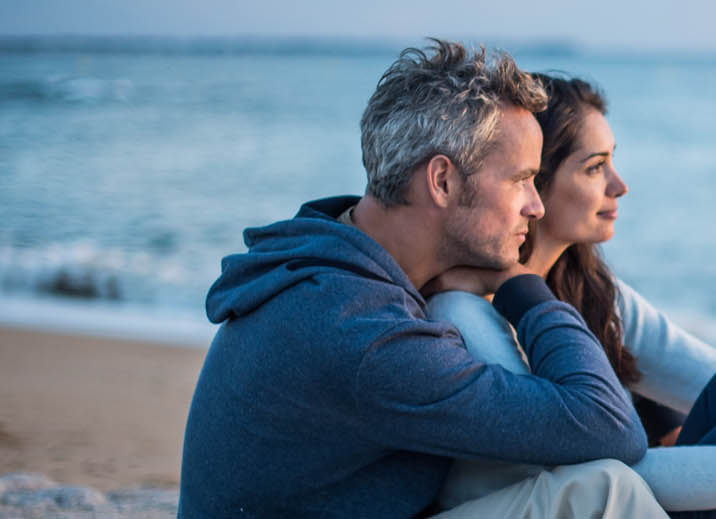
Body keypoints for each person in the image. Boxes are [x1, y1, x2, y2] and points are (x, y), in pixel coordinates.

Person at [180, 40, 666, 518]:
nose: (535, 207)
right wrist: (524, 287)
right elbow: (607, 425)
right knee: (603, 494)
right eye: (520, 180)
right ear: (442, 181)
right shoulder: (363, 336)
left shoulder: (332, 252)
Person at [426, 73, 716, 519]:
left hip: (617, 489)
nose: (619, 186)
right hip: (581, 502)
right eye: (594, 167)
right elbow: (600, 473)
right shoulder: (464, 311)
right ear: (535, 183)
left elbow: (702, 368)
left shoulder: (589, 287)